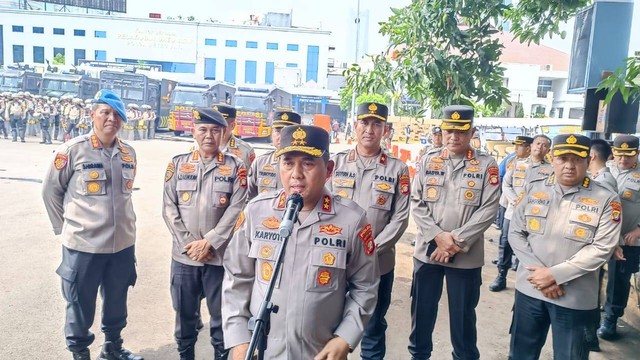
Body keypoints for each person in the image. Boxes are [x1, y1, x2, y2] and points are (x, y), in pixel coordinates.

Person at [222, 124, 380, 359]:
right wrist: (238, 340)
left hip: (320, 352)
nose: (296, 173)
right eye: (288, 163)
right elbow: (236, 279)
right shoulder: (257, 212)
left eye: (307, 163)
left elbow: (365, 286)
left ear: (328, 169)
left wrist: (345, 338)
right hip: (261, 349)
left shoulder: (352, 219)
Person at [42, 89, 143, 360]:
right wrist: (65, 229)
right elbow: (51, 191)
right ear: (92, 115)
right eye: (105, 112)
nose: (112, 118)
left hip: (122, 244)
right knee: (79, 304)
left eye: (117, 114)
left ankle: (112, 347)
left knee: (117, 300)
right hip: (83, 246)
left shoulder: (128, 153)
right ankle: (80, 353)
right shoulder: (73, 150)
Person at [508, 134, 621, 360]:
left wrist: (554, 275)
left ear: (588, 161)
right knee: (520, 355)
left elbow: (602, 248)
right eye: (563, 158)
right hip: (530, 289)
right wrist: (539, 274)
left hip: (574, 297)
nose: (569, 166)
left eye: (577, 159)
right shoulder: (533, 189)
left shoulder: (607, 198)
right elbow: (516, 232)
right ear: (553, 159)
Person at [409, 105, 500, 360]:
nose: (453, 137)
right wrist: (438, 236)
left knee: (462, 318)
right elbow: (416, 201)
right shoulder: (428, 159)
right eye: (449, 130)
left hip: (465, 257)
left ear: (471, 132)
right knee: (422, 312)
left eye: (460, 131)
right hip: (428, 252)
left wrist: (453, 242)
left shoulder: (487, 165)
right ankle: (419, 356)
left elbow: (489, 208)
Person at [163, 107, 248, 360]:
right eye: (203, 129)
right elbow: (169, 208)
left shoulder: (236, 166)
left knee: (221, 317)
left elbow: (238, 208)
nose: (209, 135)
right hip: (184, 258)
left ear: (224, 133)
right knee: (184, 314)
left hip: (219, 259)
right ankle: (185, 354)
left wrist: (209, 242)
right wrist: (190, 244)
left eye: (215, 130)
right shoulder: (177, 164)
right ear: (193, 132)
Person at [328, 102, 410, 360]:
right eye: (365, 122)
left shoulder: (397, 169)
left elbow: (400, 218)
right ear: (355, 126)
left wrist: (371, 248)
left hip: (378, 264)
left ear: (385, 130)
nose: (370, 129)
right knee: (330, 327)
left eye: (377, 124)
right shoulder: (336, 163)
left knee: (373, 327)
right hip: (335, 261)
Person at [598, 135, 640, 341]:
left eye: (628, 155)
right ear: (613, 152)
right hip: (601, 236)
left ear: (637, 154)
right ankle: (592, 311)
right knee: (592, 271)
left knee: (618, 280)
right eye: (619, 154)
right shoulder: (604, 170)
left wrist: (639, 230)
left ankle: (611, 319)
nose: (623, 159)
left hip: (628, 238)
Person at [489, 135, 540, 292]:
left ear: (528, 147)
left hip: (533, 214)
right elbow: (506, 183)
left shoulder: (547, 168)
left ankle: (526, 281)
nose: (516, 149)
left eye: (519, 146)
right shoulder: (516, 164)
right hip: (512, 211)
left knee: (529, 245)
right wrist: (515, 201)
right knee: (505, 243)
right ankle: (501, 275)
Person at [583, 138, 617, 352]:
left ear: (591, 156)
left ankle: (589, 337)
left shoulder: (603, 181)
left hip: (593, 245)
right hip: (593, 243)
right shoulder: (599, 177)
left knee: (590, 291)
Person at [247, 110, 301, 199]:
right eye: (277, 131)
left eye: (287, 131)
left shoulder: (307, 165)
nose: (281, 136)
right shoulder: (261, 162)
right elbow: (249, 199)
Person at [215, 104, 256, 168]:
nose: (216, 128)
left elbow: (251, 176)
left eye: (220, 124)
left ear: (232, 126)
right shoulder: (199, 147)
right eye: (213, 123)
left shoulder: (246, 151)